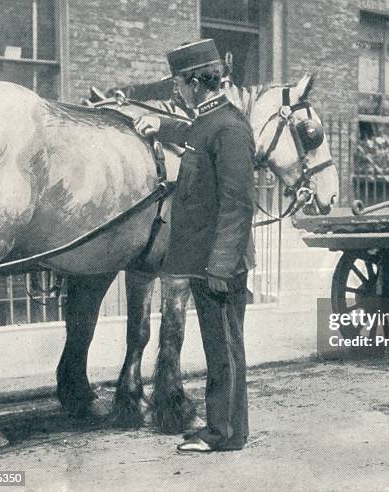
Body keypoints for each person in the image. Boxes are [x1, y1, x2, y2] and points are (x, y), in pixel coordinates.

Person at [135, 39, 255, 451]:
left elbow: (238, 206)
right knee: (216, 348)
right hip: (204, 263)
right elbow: (197, 136)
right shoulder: (212, 121)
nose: (175, 92)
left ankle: (227, 433)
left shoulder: (231, 128)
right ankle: (218, 425)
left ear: (195, 83)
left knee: (225, 352)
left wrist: (221, 267)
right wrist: (164, 127)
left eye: (178, 85)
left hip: (220, 267)